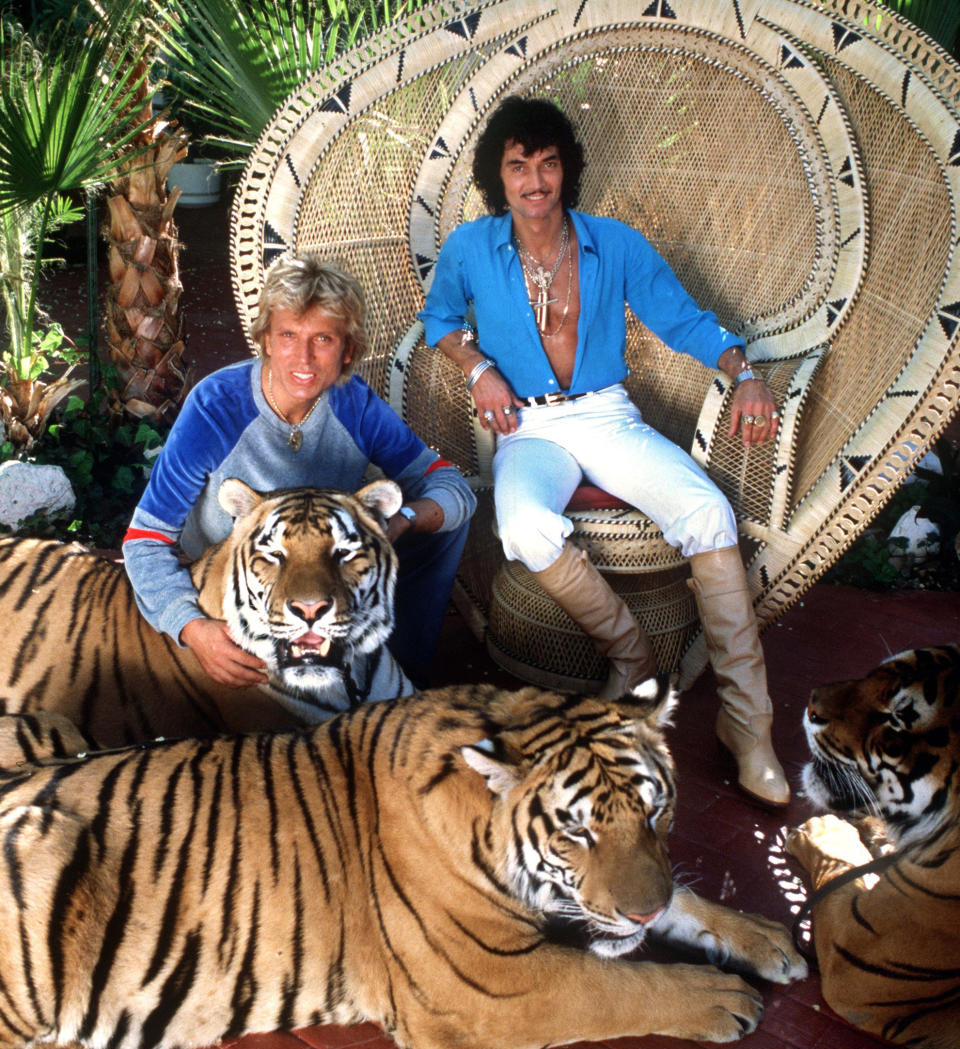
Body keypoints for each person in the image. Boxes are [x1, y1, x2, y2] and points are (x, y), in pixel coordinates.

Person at [419, 96, 789, 807]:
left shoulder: (612, 242)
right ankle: (632, 655)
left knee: (709, 511)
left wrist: (744, 374)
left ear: (567, 170)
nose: (535, 181)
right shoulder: (471, 247)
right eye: (519, 165)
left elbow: (683, 319)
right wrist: (478, 369)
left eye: (549, 164)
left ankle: (749, 727)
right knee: (523, 524)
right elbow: (438, 319)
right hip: (528, 427)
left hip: (606, 417)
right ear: (498, 176)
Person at [124, 253, 475, 690]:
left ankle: (406, 667)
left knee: (440, 524)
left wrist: (401, 523)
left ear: (347, 349)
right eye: (288, 335)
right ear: (266, 341)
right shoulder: (216, 407)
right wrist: (191, 628)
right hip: (232, 587)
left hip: (323, 580)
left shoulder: (355, 405)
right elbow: (145, 540)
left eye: (323, 339)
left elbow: (452, 487)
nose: (304, 358)